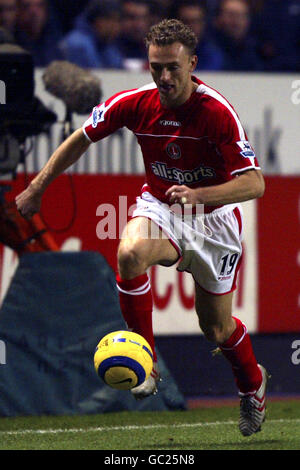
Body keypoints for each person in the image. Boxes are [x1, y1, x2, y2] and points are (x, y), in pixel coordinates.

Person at [16, 18, 268, 437]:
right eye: (156, 67)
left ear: (192, 64)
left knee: (218, 329)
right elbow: (82, 136)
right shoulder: (135, 102)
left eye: (173, 67)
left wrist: (200, 196)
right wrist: (38, 186)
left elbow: (255, 183)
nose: (164, 77)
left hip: (214, 219)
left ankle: (252, 386)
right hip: (163, 204)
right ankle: (145, 359)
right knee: (130, 252)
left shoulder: (218, 113)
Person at [59, 0, 124, 69]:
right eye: (110, 20)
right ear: (95, 20)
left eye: (118, 21)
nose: (115, 26)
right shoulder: (78, 44)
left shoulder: (109, 46)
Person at [171, 0, 224, 71]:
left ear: (203, 24)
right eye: (186, 21)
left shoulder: (213, 55)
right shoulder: (166, 54)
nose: (191, 27)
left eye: (195, 21)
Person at [212, 0, 262, 71]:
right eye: (231, 15)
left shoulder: (255, 50)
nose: (236, 21)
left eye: (242, 16)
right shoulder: (209, 49)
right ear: (219, 18)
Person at [14, 0, 63, 66]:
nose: (34, 12)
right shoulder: (10, 44)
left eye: (40, 6)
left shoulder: (58, 44)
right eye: (26, 6)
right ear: (17, 10)